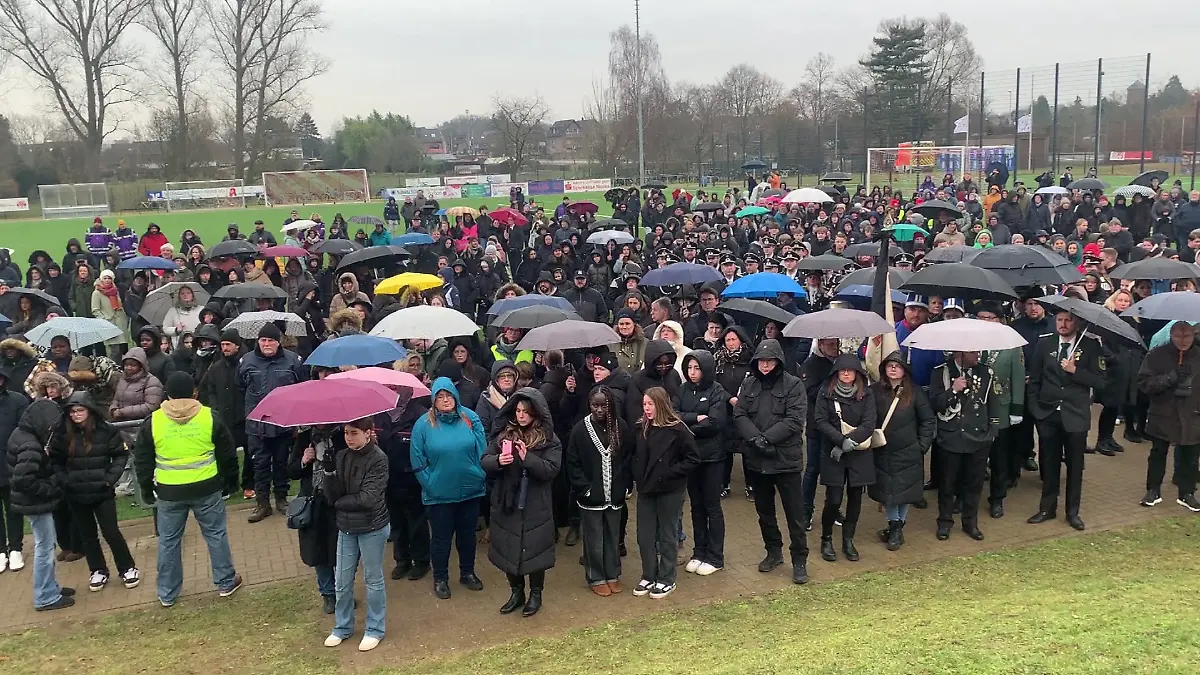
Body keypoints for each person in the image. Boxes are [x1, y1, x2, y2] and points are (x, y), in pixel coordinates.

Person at [134, 372, 242, 606]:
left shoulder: (153, 421)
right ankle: (225, 581)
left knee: (169, 541)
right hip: (207, 487)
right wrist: (232, 481)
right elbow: (228, 454)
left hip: (169, 491)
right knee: (216, 535)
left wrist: (144, 487)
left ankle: (167, 593)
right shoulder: (209, 417)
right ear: (194, 392)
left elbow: (142, 460)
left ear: (168, 393)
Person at [733, 339, 809, 583]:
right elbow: (740, 413)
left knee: (795, 515)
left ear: (778, 361)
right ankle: (773, 552)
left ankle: (799, 560)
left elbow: (795, 420)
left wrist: (767, 439)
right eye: (762, 361)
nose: (765, 366)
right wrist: (755, 439)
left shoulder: (794, 385)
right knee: (764, 512)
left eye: (770, 361)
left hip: (785, 460)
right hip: (757, 460)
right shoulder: (749, 383)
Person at [482, 388, 561, 617]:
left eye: (525, 411)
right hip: (507, 501)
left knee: (535, 552)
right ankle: (516, 592)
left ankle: (536, 594)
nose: (521, 416)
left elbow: (551, 470)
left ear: (536, 413)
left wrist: (529, 459)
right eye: (517, 411)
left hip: (536, 503)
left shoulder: (549, 439)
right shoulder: (504, 435)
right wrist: (499, 460)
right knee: (508, 549)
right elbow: (484, 460)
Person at [1026, 309, 1105, 530]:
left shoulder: (1090, 346)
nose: (1063, 323)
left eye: (1068, 320)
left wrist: (1075, 371)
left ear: (1077, 322)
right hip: (1048, 414)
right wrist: (1036, 410)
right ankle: (1046, 509)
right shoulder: (1045, 344)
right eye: (1059, 319)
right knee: (1049, 465)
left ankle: (1072, 512)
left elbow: (1101, 382)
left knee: (1075, 466)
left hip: (1075, 416)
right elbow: (1035, 380)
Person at [51, 392, 140, 591]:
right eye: (72, 411)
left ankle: (127, 568)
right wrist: (66, 481)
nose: (76, 415)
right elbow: (55, 462)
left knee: (111, 532)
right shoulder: (62, 434)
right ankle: (98, 570)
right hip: (76, 494)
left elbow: (120, 455)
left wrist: (109, 480)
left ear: (89, 411)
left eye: (80, 410)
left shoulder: (106, 431)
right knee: (87, 535)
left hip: (102, 492)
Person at [409, 378, 487, 600]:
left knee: (467, 536)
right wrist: (430, 483)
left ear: (456, 396)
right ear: (433, 400)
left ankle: (468, 572)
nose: (445, 400)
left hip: (470, 489)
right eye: (440, 397)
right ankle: (440, 578)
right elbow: (417, 459)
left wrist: (480, 473)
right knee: (441, 539)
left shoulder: (470, 418)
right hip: (439, 494)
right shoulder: (423, 425)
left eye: (449, 396)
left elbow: (482, 448)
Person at [320, 416, 390, 652]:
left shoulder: (379, 459)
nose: (349, 438)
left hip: (372, 526)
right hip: (346, 527)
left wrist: (339, 502)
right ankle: (342, 626)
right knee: (342, 581)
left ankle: (375, 628)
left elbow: (368, 499)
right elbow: (331, 496)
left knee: (373, 579)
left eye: (354, 433)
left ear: (368, 433)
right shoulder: (341, 457)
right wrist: (328, 473)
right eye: (346, 433)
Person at [565, 387, 634, 596]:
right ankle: (596, 576)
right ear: (589, 405)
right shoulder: (580, 430)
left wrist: (625, 485)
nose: (599, 410)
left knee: (613, 535)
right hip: (591, 496)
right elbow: (572, 462)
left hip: (614, 494)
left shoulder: (620, 426)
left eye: (604, 405)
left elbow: (628, 458)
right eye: (595, 405)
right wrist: (584, 488)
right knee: (594, 538)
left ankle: (613, 574)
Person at [631, 386, 698, 600]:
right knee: (645, 535)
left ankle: (667, 578)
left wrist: (671, 473)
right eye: (644, 404)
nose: (647, 408)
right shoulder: (642, 428)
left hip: (669, 489)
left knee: (667, 535)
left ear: (660, 404)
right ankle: (648, 574)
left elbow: (693, 459)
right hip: (646, 489)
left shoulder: (678, 430)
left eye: (650, 404)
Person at [7, 399, 74, 609]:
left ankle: (50, 587)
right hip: (35, 503)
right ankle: (45, 596)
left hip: (31, 502)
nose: (52, 430)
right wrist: (50, 489)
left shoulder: (21, 434)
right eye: (51, 425)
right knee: (44, 548)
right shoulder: (30, 445)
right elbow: (23, 479)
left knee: (46, 545)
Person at [929, 349, 1001, 541]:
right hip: (951, 436)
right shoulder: (941, 372)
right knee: (947, 483)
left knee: (974, 483)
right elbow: (935, 404)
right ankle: (944, 522)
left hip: (978, 437)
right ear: (960, 352)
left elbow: (992, 401)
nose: (978, 354)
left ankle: (970, 522)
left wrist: (993, 429)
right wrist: (953, 389)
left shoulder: (986, 372)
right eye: (973, 351)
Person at [239, 323, 307, 522]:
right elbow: (240, 387)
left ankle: (281, 499)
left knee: (281, 462)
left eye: (271, 340)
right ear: (258, 341)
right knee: (259, 464)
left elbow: (301, 389)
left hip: (283, 424)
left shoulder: (293, 361)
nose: (267, 344)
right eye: (263, 340)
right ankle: (262, 503)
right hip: (257, 424)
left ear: (279, 342)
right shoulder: (246, 361)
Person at [869, 352, 935, 551]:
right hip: (883, 451)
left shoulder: (915, 392)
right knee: (889, 493)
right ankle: (894, 526)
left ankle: (896, 528)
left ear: (904, 370)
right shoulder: (874, 391)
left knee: (905, 492)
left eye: (897, 366)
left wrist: (922, 446)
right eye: (889, 365)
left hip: (909, 452)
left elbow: (928, 420)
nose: (893, 369)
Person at [814, 354, 876, 563]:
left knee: (856, 498)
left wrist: (850, 442)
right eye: (842, 371)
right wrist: (841, 442)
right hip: (833, 453)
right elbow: (820, 421)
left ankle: (848, 540)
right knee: (833, 499)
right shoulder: (826, 393)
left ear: (857, 374)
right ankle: (827, 538)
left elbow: (869, 424)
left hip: (859, 454)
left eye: (850, 371)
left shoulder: (867, 394)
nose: (846, 374)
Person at [672, 350, 729, 576]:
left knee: (711, 505)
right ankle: (699, 551)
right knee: (696, 506)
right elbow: (673, 414)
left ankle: (716, 556)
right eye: (689, 368)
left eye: (697, 368)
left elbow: (716, 422)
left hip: (713, 457)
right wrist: (695, 419)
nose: (692, 373)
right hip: (691, 456)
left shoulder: (717, 390)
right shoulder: (682, 389)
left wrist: (687, 430)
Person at [1136, 321, 1200, 511]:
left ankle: (1187, 492)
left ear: (1193, 335)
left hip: (1192, 413)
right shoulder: (1157, 354)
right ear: (1171, 336)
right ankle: (1153, 490)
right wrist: (1169, 378)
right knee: (1158, 452)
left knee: (1190, 454)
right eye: (1178, 337)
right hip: (1163, 412)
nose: (1183, 341)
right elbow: (1144, 383)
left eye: (1187, 336)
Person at [375, 386, 430, 582]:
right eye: (391, 388)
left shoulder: (420, 415)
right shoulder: (379, 415)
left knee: (416, 522)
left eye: (399, 388)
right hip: (388, 478)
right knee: (396, 522)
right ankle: (402, 560)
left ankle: (421, 561)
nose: (395, 392)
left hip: (412, 477)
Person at [288, 424, 342, 614]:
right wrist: (304, 460)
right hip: (313, 502)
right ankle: (328, 594)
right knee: (317, 550)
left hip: (337, 502)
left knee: (341, 550)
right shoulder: (304, 438)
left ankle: (343, 593)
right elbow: (292, 470)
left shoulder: (343, 435)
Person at [199, 329, 253, 499]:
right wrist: (215, 409)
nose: (225, 348)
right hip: (224, 417)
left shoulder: (247, 364)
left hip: (245, 417)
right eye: (222, 345)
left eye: (228, 344)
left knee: (251, 453)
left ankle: (249, 485)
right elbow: (209, 389)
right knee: (225, 454)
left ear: (237, 345)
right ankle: (229, 485)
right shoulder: (215, 368)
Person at [0, 366, 30, 573]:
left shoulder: (17, 400)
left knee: (13, 507)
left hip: (11, 462)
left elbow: (23, 431)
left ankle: (15, 548)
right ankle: (1, 550)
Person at [91, 270, 129, 359]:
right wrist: (105, 320)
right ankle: (112, 370)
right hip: (109, 324)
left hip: (120, 323)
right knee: (114, 351)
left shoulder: (114, 290)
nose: (107, 280)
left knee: (120, 350)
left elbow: (119, 304)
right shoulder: (97, 293)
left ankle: (119, 370)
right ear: (101, 279)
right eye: (105, 278)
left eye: (109, 278)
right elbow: (95, 310)